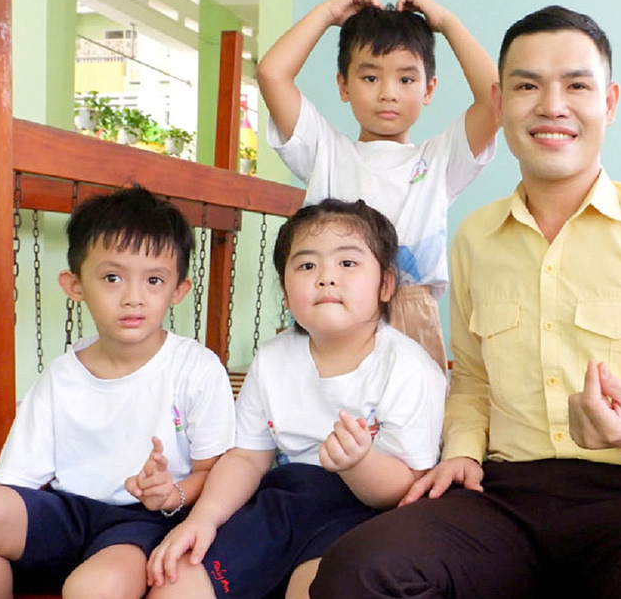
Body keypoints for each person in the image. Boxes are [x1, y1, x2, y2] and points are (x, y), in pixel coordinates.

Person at [308, 5, 621, 599]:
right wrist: (459, 452)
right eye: (527, 86)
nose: (551, 106)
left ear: (608, 103)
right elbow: (473, 381)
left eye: (576, 86)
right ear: (500, 102)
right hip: (502, 496)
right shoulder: (476, 238)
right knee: (359, 568)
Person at [0, 186, 235, 598]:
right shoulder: (61, 376)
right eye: (112, 277)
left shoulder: (196, 368)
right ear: (75, 285)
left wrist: (172, 493)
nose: (133, 297)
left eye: (153, 280)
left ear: (177, 290)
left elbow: (216, 471)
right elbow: (17, 484)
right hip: (68, 513)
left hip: (144, 523)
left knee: (93, 588)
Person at [145, 199, 447, 599]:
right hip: (282, 506)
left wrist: (359, 463)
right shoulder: (272, 359)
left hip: (365, 517)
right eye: (306, 266)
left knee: (319, 588)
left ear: (385, 285)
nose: (325, 278)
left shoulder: (409, 369)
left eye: (347, 264)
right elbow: (247, 458)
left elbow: (405, 487)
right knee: (176, 582)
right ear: (286, 292)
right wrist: (201, 520)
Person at [258, 0, 498, 369]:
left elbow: (495, 99)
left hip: (409, 312)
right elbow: (272, 74)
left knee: (413, 427)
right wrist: (325, 12)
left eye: (406, 79)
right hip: (331, 310)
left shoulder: (438, 161)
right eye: (370, 77)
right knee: (326, 424)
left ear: (428, 89)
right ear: (343, 85)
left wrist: (448, 24)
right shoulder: (326, 152)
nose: (388, 93)